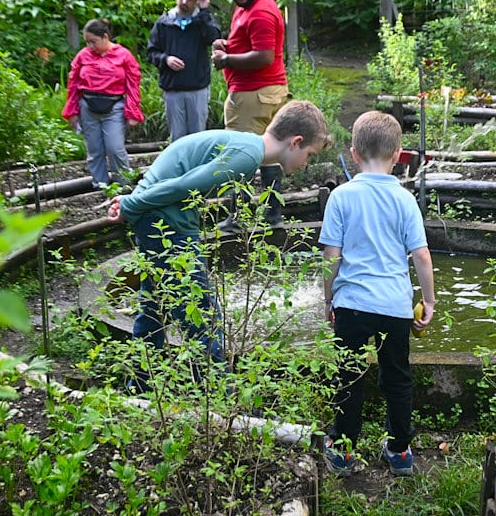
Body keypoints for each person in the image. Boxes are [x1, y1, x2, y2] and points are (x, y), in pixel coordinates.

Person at [106, 100, 331, 368]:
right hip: (166, 222)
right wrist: (132, 203)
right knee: (204, 319)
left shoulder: (246, 145)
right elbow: (183, 185)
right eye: (310, 155)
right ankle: (216, 388)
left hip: (159, 218)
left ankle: (140, 383)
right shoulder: (247, 156)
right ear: (295, 142)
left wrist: (135, 200)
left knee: (155, 308)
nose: (307, 164)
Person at [320, 111, 436, 478]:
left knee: (349, 376)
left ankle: (343, 449)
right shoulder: (404, 199)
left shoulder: (341, 196)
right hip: (395, 306)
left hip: (352, 305)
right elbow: (421, 255)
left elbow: (332, 256)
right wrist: (428, 301)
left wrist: (328, 299)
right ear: (398, 154)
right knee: (398, 378)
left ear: (354, 153)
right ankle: (400, 450)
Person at [210, 0, 289, 225]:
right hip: (264, 91)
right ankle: (271, 215)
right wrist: (228, 46)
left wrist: (226, 60)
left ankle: (240, 218)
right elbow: (251, 44)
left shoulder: (260, 12)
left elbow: (264, 56)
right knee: (269, 153)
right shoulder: (249, 4)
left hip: (253, 94)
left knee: (239, 155)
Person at [62, 19, 144, 188]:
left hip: (114, 107)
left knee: (115, 148)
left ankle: (124, 185)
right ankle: (100, 186)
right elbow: (73, 85)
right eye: (87, 42)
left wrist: (133, 111)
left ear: (105, 37)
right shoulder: (83, 56)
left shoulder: (123, 55)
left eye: (93, 41)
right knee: (94, 151)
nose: (90, 46)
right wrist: (72, 111)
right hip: (87, 107)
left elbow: (133, 84)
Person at [147, 0, 222, 141]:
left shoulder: (201, 22)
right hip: (173, 89)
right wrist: (166, 59)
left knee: (198, 138)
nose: (185, 2)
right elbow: (151, 52)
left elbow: (214, 38)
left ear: (197, 0)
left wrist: (204, 11)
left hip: (198, 89)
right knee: (177, 139)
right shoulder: (163, 23)